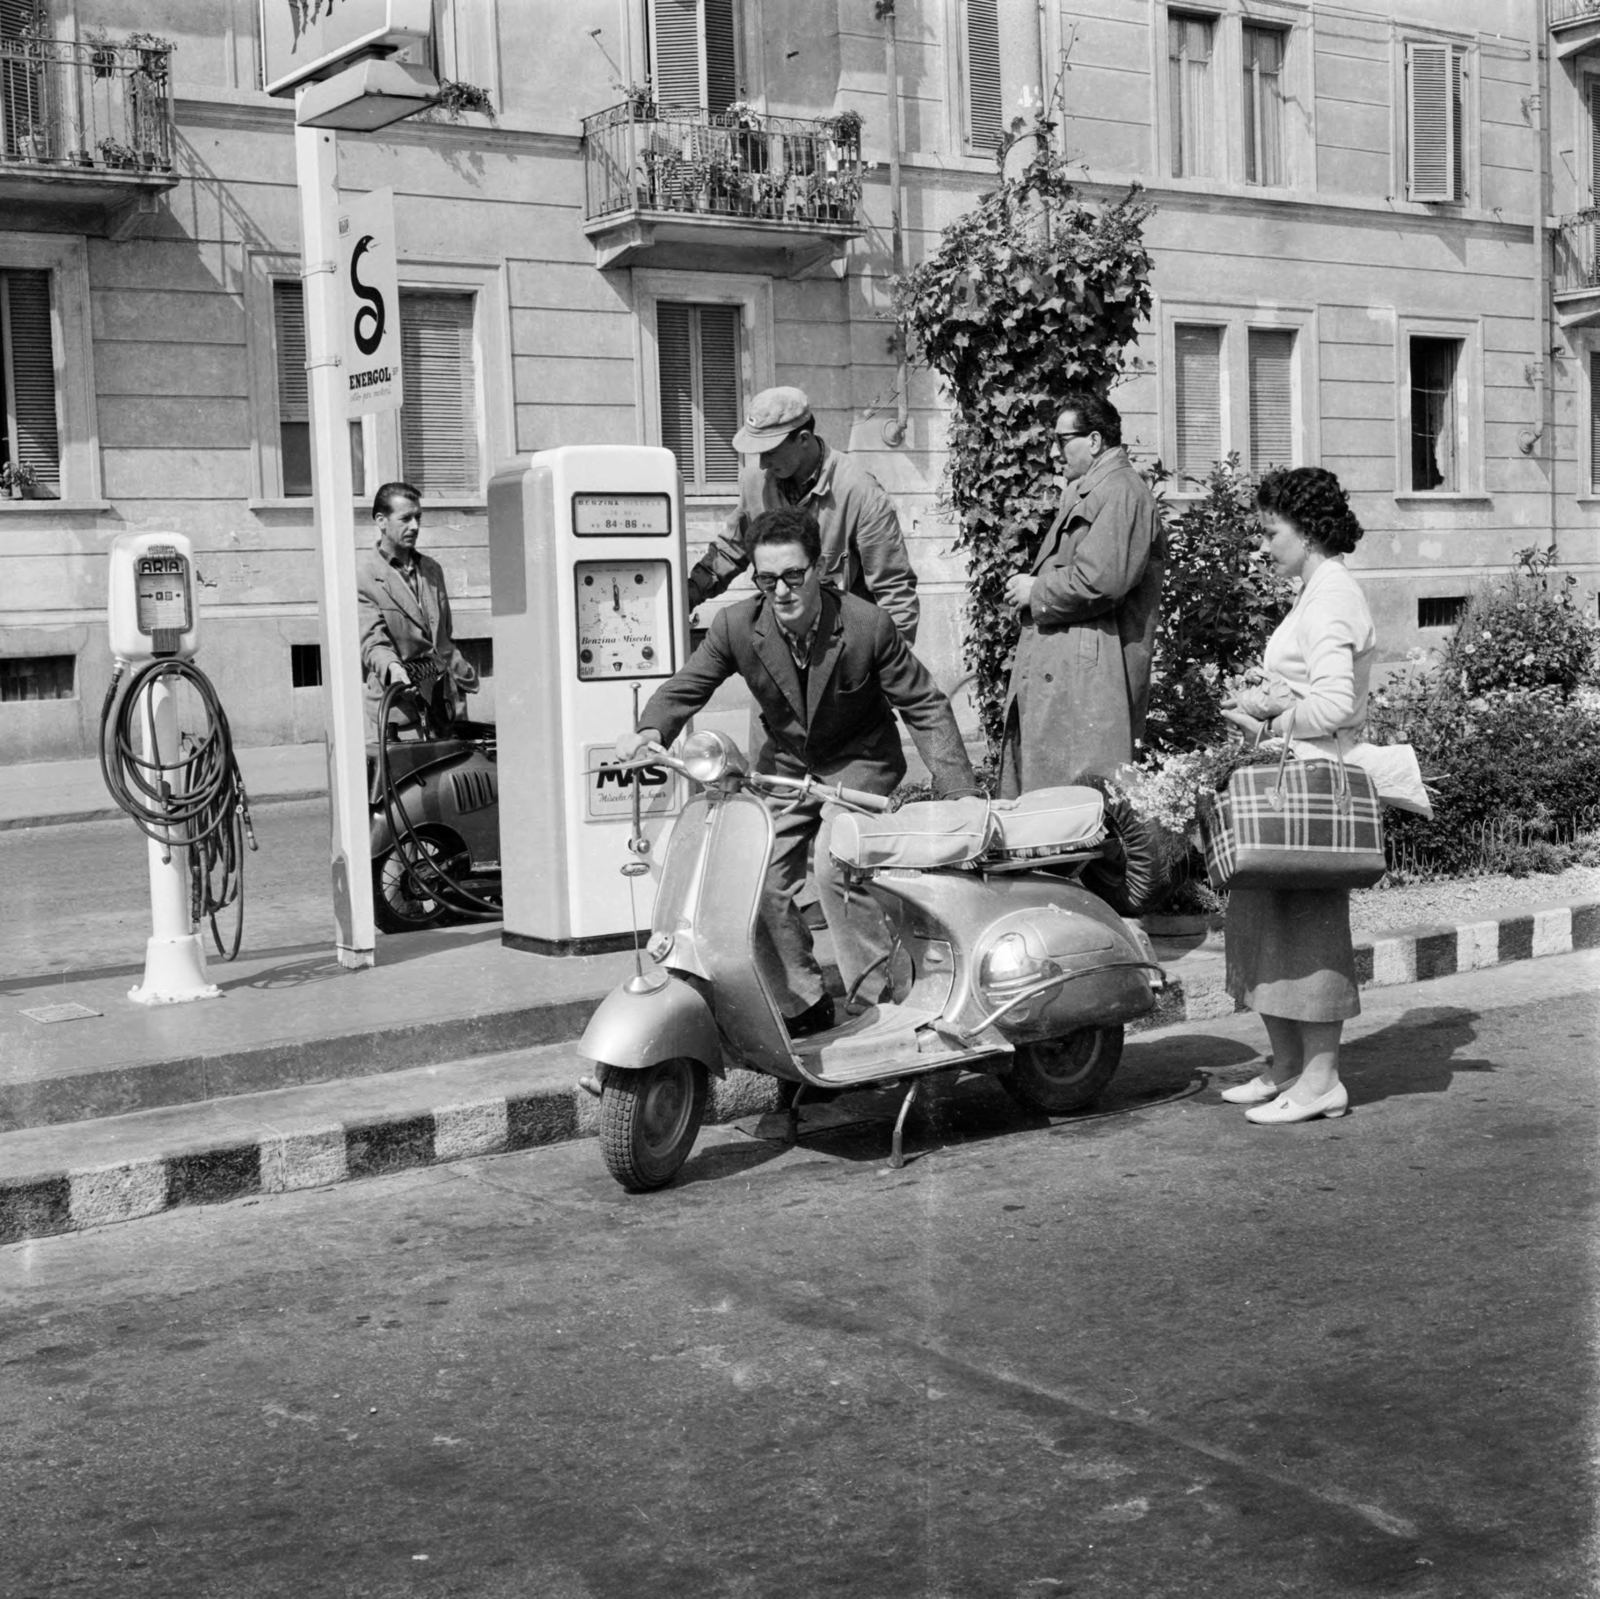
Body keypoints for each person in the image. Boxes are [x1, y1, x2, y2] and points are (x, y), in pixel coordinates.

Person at [616, 507, 977, 1038]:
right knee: (755, 877)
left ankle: (878, 1008)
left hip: (860, 763)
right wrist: (651, 731)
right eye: (767, 579)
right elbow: (689, 684)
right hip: (784, 767)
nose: (781, 591)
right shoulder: (737, 625)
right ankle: (802, 1004)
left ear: (819, 569)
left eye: (792, 576)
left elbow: (925, 704)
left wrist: (959, 792)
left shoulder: (865, 625)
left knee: (838, 862)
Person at [1217, 466, 1376, 1125]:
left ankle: (1320, 1082)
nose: (1265, 544)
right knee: (1263, 917)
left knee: (1306, 929)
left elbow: (1338, 701)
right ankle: (1287, 1066)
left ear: (1307, 531)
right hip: (1294, 776)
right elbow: (1314, 686)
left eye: (1273, 531)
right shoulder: (1315, 590)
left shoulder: (1333, 592)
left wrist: (1274, 719)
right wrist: (1268, 702)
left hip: (1314, 784)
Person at [998, 392, 1164, 795]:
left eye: (1061, 440)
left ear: (1093, 441)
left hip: (1093, 673)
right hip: (1077, 669)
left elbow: (1102, 581)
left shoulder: (1122, 490)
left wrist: (1037, 589)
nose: (1055, 453)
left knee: (1083, 802)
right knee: (1060, 802)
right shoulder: (1093, 489)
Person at [686, 385, 920, 644]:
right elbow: (728, 553)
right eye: (758, 453)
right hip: (784, 646)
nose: (762, 463)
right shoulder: (754, 481)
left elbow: (894, 589)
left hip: (846, 649)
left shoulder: (860, 492)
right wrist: (683, 597)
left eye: (770, 451)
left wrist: (894, 666)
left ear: (804, 439)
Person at [356, 481, 478, 738]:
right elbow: (373, 643)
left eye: (418, 517)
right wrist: (394, 672)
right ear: (381, 520)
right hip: (401, 710)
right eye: (406, 518)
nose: (415, 526)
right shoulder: (364, 575)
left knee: (458, 777)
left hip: (447, 703)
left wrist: (461, 675)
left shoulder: (432, 570)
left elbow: (443, 635)